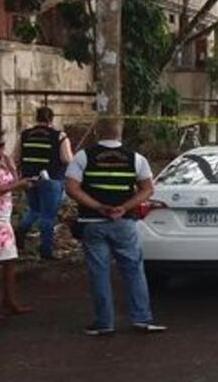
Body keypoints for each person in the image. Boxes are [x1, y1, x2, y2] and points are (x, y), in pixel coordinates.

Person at [64, 118, 166, 336]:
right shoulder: (136, 158)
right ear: (120, 134)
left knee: (99, 272)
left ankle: (104, 322)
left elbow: (71, 188)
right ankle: (141, 318)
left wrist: (98, 206)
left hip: (92, 222)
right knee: (134, 270)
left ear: (96, 133)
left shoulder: (83, 156)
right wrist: (124, 207)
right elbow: (148, 189)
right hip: (124, 223)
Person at [0, 128, 35, 321]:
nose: (3, 149)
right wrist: (17, 184)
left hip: (4, 216)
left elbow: (14, 183)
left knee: (9, 259)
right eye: (0, 145)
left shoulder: (2, 162)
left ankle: (8, 300)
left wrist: (12, 168)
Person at [16, 107, 73, 260]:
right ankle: (45, 250)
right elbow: (67, 159)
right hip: (51, 180)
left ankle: (20, 232)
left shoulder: (24, 135)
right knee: (48, 216)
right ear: (51, 119)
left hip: (29, 179)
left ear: (37, 118)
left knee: (34, 209)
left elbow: (16, 157)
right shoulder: (59, 136)